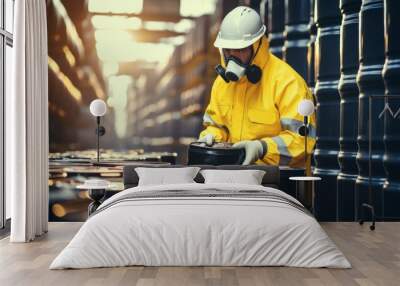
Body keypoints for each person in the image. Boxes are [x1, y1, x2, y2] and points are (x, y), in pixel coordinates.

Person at [198, 6, 316, 167]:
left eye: (240, 50)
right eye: (228, 50)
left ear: (257, 45)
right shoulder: (222, 84)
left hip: (279, 186)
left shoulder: (288, 83)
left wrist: (262, 148)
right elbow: (217, 126)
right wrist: (211, 137)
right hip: (236, 181)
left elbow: (303, 141)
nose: (233, 57)